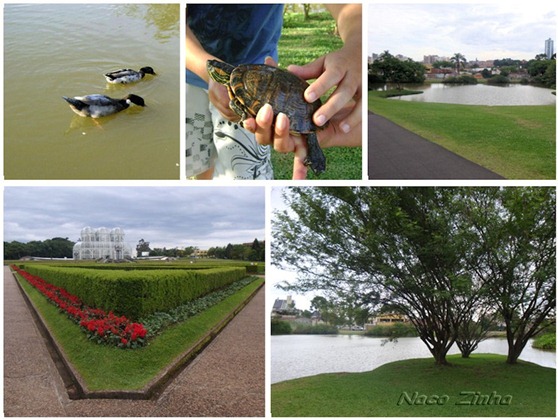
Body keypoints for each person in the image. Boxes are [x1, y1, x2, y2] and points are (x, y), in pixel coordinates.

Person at [186, 4, 362, 180]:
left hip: (259, 66)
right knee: (198, 159)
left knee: (244, 173)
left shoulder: (244, 76)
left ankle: (313, 149)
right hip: (190, 75)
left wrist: (358, 42)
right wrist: (204, 67)